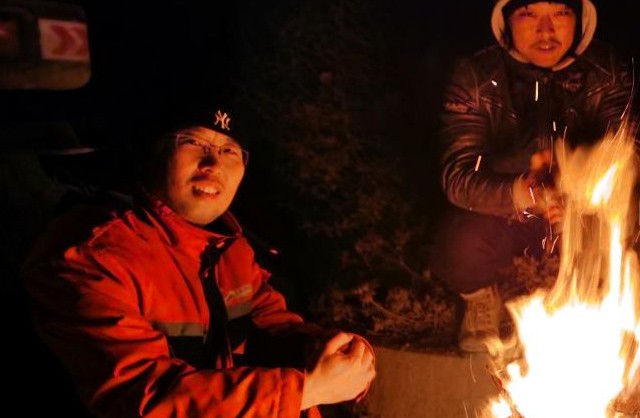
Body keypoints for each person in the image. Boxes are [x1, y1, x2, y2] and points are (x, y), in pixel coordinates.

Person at [22, 100, 376, 417]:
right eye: (193, 142)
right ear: (151, 154)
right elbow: (145, 399)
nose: (213, 163)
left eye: (229, 150)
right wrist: (306, 391)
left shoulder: (229, 248)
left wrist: (331, 351)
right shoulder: (92, 257)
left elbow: (270, 325)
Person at [430, 0, 635, 353]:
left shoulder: (607, 71)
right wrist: (523, 193)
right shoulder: (476, 77)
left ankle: (603, 306)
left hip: (583, 214)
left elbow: (627, 148)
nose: (545, 30)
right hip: (506, 216)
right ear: (506, 20)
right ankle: (480, 298)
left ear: (579, 17)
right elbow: (457, 176)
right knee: (458, 244)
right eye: (528, 14)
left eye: (560, 13)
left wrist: (579, 190)